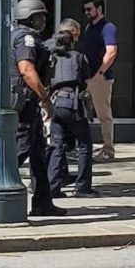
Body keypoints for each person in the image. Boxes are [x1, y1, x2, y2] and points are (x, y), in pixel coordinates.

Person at [11, 0, 66, 217]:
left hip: (25, 100)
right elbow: (26, 70)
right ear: (31, 18)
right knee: (21, 148)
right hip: (26, 101)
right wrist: (45, 98)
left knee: (38, 152)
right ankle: (0, 179)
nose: (44, 20)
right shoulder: (26, 39)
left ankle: (43, 201)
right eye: (40, 16)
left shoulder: (14, 35)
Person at [46, 22, 98, 198]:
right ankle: (83, 186)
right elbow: (86, 81)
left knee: (56, 145)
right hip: (73, 104)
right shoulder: (79, 57)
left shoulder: (52, 58)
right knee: (84, 145)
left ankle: (52, 186)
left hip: (55, 104)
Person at [79, 0, 118, 161]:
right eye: (85, 10)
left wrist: (99, 75)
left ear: (99, 9)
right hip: (86, 78)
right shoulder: (89, 27)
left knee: (104, 115)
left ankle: (108, 150)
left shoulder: (108, 28)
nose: (86, 13)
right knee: (79, 113)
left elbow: (111, 52)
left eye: (89, 9)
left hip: (99, 78)